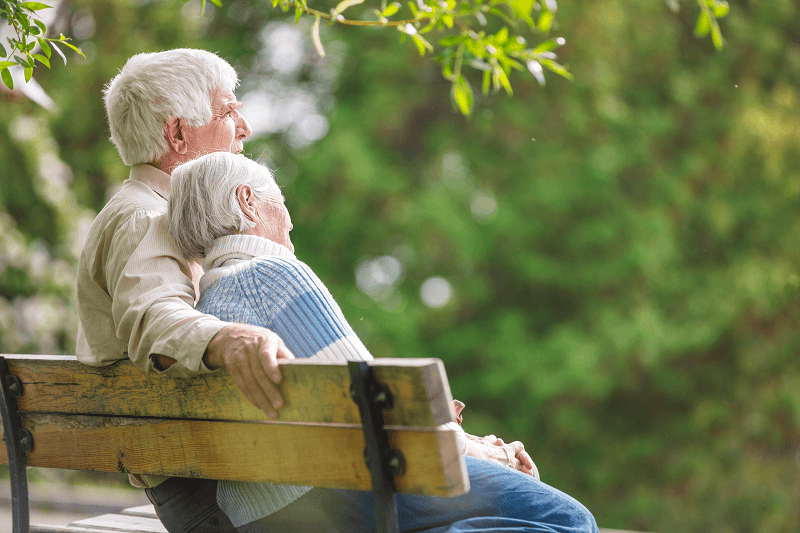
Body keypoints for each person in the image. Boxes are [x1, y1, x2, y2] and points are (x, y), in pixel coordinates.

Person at [166, 151, 600, 533]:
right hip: (335, 496)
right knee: (570, 520)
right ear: (248, 203)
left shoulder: (205, 307)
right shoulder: (272, 276)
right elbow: (382, 415)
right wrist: (489, 453)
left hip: (256, 515)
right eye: (280, 201)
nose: (291, 218)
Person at [75, 49, 294, 533]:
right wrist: (231, 339)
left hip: (216, 473)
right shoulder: (146, 217)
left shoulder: (163, 215)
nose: (245, 128)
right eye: (228, 110)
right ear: (177, 133)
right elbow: (155, 319)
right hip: (209, 493)